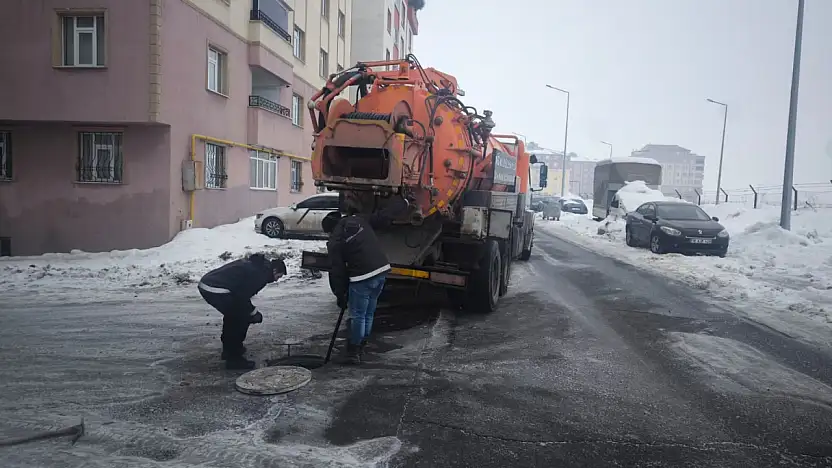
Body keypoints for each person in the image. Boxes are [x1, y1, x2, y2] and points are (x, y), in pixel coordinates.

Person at [322, 209, 392, 365]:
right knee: (368, 312)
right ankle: (362, 343)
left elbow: (337, 271)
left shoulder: (335, 240)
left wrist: (340, 295)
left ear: (329, 230)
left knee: (358, 315)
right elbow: (380, 217)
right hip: (382, 270)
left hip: (363, 276)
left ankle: (354, 351)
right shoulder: (358, 220)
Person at [198, 253, 287, 370]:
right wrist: (253, 313)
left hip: (209, 284)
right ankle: (234, 359)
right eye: (279, 276)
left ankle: (230, 350)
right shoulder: (260, 274)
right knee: (240, 319)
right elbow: (241, 298)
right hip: (216, 289)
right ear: (274, 270)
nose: (276, 280)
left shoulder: (259, 267)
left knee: (233, 315)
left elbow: (240, 295)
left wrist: (250, 311)